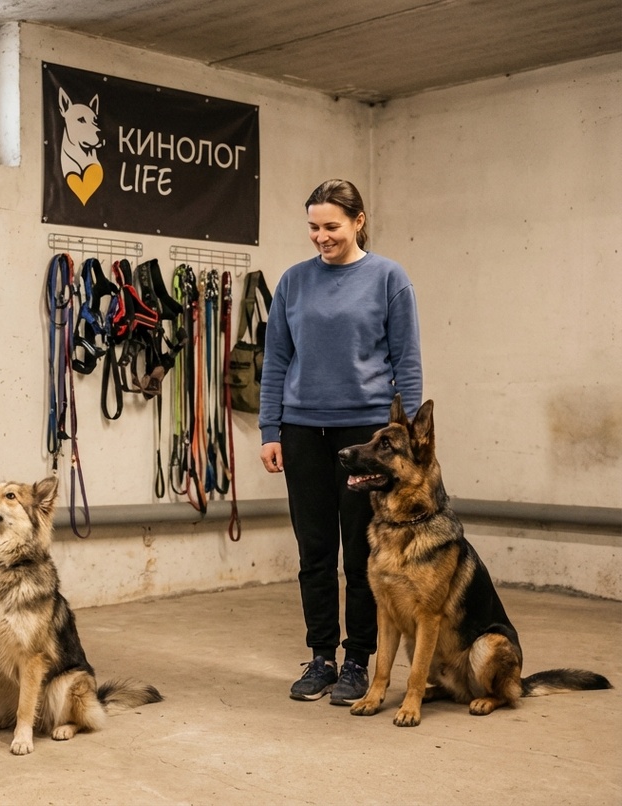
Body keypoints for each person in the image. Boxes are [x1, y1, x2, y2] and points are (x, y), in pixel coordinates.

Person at [258, 178, 422, 706]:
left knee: (361, 555)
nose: (321, 237)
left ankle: (358, 659)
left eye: (331, 226)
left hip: (366, 437)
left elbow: (407, 363)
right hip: (303, 431)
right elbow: (276, 361)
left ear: (358, 221)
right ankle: (322, 656)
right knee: (314, 551)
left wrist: (411, 440)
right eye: (313, 227)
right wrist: (270, 429)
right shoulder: (292, 282)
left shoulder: (388, 278)